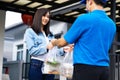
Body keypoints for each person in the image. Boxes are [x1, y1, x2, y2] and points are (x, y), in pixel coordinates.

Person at [47, 0, 116, 80]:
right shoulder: (111, 24)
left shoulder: (84, 19)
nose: (86, 7)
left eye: (86, 4)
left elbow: (62, 42)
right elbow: (99, 44)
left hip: (85, 68)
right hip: (104, 69)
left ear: (90, 2)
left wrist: (53, 42)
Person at [24, 8, 55, 80]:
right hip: (37, 64)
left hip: (50, 64)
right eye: (44, 16)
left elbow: (54, 49)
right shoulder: (30, 32)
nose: (46, 18)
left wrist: (64, 50)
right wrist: (46, 47)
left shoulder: (50, 34)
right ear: (38, 16)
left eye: (48, 17)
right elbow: (32, 51)